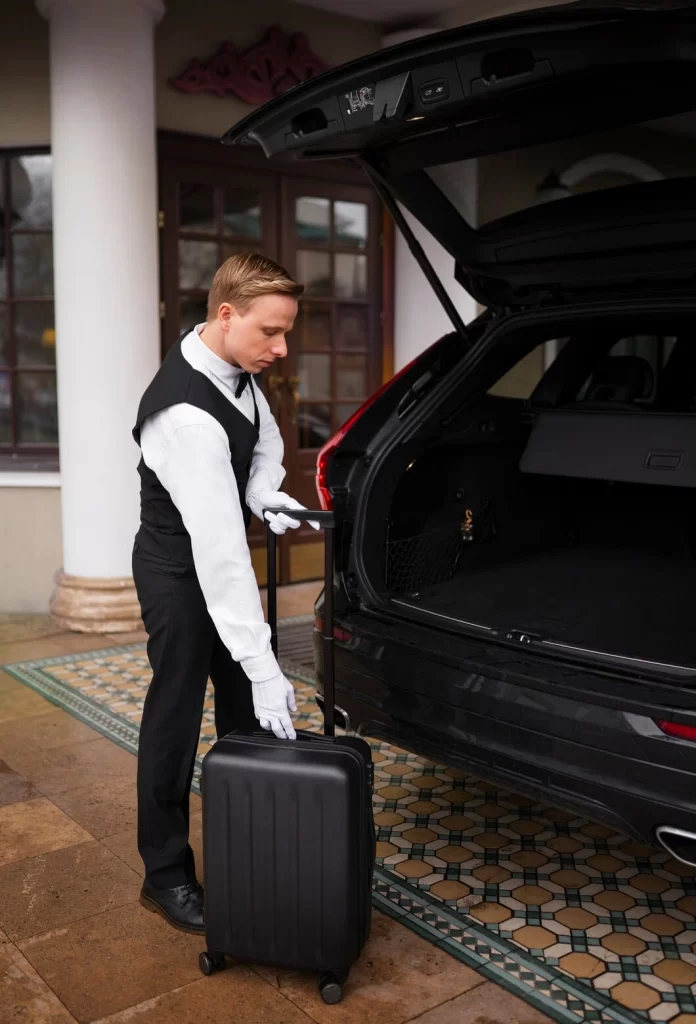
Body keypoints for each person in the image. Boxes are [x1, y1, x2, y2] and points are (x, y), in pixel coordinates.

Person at [131, 253, 317, 934]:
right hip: (176, 573)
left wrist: (264, 490)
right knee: (176, 715)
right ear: (228, 314)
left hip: (214, 560)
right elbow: (221, 556)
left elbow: (265, 438)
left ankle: (251, 846)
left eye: (286, 330)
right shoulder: (184, 417)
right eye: (272, 331)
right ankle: (164, 874)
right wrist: (264, 663)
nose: (282, 348)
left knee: (245, 713)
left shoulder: (237, 366)